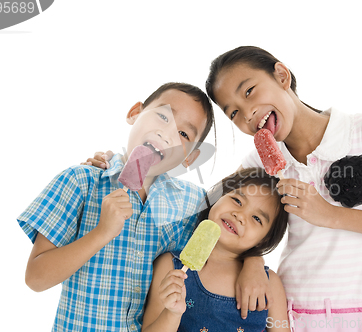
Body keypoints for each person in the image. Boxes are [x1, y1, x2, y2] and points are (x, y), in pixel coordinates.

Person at [204, 46, 362, 331]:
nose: (247, 113)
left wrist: (329, 214)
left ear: (282, 76)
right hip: (298, 313)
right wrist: (253, 261)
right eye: (233, 112)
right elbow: (222, 214)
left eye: (249, 91)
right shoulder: (258, 162)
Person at [18, 82, 218, 331]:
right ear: (135, 113)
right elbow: (35, 279)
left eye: (184, 134)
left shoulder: (192, 204)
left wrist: (254, 264)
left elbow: (238, 223)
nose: (167, 133)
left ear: (189, 158)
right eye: (164, 116)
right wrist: (102, 232)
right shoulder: (81, 182)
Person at [142, 167, 291, 332]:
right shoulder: (170, 267)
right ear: (218, 197)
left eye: (256, 218)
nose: (239, 215)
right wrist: (172, 313)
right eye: (237, 201)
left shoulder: (270, 284)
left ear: (265, 238)